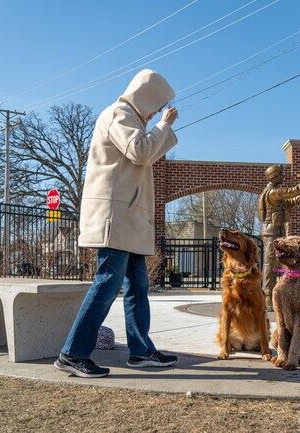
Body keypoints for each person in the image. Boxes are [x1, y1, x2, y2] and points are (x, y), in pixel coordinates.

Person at [54, 69, 180, 378]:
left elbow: (142, 153)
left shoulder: (131, 119)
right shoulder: (119, 114)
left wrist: (158, 127)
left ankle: (140, 351)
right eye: (156, 105)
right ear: (146, 96)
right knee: (107, 283)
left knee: (137, 286)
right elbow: (140, 152)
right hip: (116, 219)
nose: (155, 112)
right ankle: (72, 353)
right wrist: (165, 125)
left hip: (128, 220)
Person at [257, 164, 300, 308]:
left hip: (276, 231)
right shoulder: (272, 193)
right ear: (275, 176)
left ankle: (276, 295)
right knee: (269, 264)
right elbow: (293, 191)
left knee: (278, 264)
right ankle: (267, 297)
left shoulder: (276, 195)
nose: (283, 176)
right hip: (271, 232)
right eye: (281, 174)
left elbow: (292, 202)